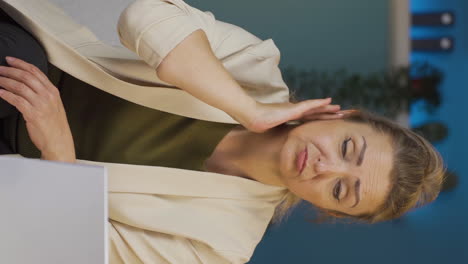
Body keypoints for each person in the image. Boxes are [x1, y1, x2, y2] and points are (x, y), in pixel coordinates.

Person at [0, 0, 445, 263]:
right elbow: (145, 17)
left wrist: (58, 152)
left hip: (16, 173)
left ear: (327, 210)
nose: (327, 167)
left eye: (341, 191)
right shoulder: (255, 66)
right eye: (348, 147)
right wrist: (248, 109)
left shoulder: (221, 247)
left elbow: (86, 252)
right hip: (30, 67)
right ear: (340, 116)